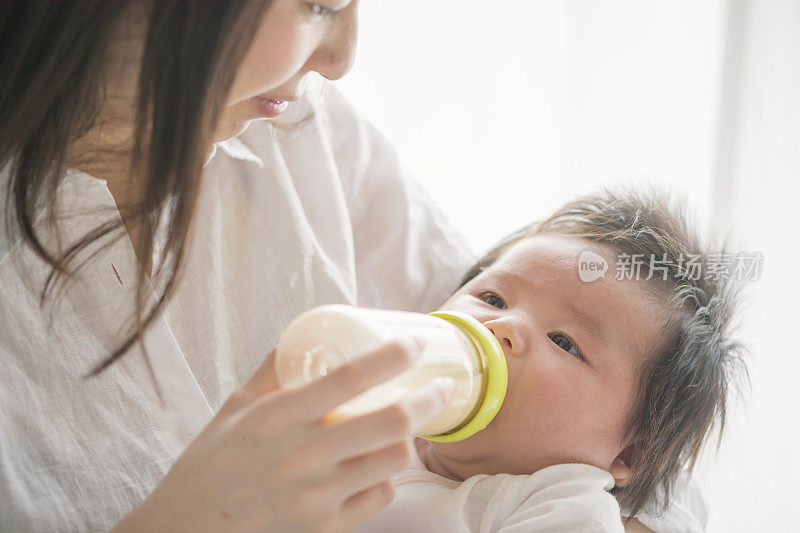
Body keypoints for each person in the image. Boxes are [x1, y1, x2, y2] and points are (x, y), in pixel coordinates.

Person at [0, 1, 707, 531]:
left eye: (562, 340)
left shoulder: (301, 129)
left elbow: (649, 439)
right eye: (317, 3)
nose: (340, 58)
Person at [357, 188, 743, 532]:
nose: (504, 325)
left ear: (629, 452)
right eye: (492, 298)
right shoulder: (378, 414)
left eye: (563, 342)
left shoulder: (563, 505)